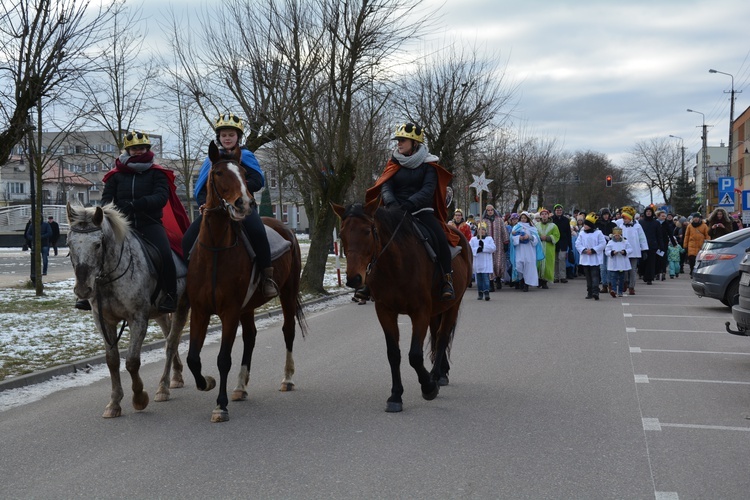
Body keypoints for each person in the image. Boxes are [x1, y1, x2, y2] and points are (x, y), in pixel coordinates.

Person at [183, 114, 277, 299]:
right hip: (216, 211)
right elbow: (201, 188)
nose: (227, 138)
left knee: (257, 232)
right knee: (187, 239)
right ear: (219, 137)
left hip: (242, 207)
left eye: (231, 135)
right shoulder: (211, 161)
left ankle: (267, 277)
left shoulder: (246, 156)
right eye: (224, 135)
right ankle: (188, 279)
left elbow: (258, 181)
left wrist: (236, 189)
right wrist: (203, 203)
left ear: (238, 137)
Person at [87, 131, 179, 312]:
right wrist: (117, 209)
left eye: (141, 148)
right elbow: (106, 200)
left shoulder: (157, 173)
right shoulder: (114, 175)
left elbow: (161, 197)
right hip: (122, 225)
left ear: (147, 149)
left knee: (166, 255)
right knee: (95, 253)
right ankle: (88, 294)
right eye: (134, 149)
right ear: (127, 150)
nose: (138, 151)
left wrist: (138, 204)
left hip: (149, 223)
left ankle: (170, 295)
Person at [365, 122, 457, 300]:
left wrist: (409, 203)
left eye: (403, 140)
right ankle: (369, 281)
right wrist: (392, 203)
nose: (399, 143)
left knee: (439, 238)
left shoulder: (429, 165)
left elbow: (428, 190)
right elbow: (386, 186)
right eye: (398, 140)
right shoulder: (393, 163)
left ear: (415, 143)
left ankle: (447, 279)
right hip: (394, 211)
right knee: (375, 239)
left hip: (420, 211)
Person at [616, 206, 648, 295]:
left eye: (626, 218)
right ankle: (625, 282)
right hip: (624, 251)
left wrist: (644, 249)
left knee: (633, 270)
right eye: (623, 218)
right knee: (624, 269)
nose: (624, 220)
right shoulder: (621, 226)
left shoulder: (637, 226)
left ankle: (632, 286)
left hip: (634, 251)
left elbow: (642, 238)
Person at [575, 212, 606, 300]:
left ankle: (596, 291)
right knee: (588, 276)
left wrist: (593, 250)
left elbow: (603, 243)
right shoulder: (582, 233)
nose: (584, 226)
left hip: (594, 258)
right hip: (585, 258)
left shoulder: (598, 233)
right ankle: (589, 292)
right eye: (584, 224)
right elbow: (577, 243)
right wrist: (584, 250)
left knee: (595, 275)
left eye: (586, 225)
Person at [510, 212, 539, 292]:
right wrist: (519, 237)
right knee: (519, 264)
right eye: (522, 218)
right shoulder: (516, 227)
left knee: (528, 266)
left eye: (525, 218)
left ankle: (526, 284)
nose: (523, 219)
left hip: (529, 250)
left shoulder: (532, 227)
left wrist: (529, 237)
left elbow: (536, 239)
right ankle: (521, 280)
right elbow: (512, 238)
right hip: (520, 249)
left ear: (528, 219)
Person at [481, 204, 509, 291]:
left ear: (494, 211)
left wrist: (506, 242)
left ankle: (498, 279)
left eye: (491, 210)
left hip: (498, 245)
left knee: (498, 264)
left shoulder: (499, 220)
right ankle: (491, 283)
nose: (490, 211)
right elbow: (479, 232)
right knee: (490, 264)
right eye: (488, 210)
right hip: (488, 246)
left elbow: (504, 231)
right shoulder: (483, 221)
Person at [470, 222, 496, 301]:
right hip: (478, 262)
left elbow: (493, 248)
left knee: (485, 278)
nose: (482, 231)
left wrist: (484, 247)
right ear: (477, 230)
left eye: (483, 230)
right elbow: (470, 248)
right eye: (480, 229)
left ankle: (486, 292)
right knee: (479, 279)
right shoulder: (473, 239)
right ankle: (480, 293)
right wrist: (478, 249)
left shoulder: (489, 239)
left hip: (486, 262)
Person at [535, 207, 559, 289]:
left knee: (547, 264)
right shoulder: (536, 225)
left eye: (546, 214)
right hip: (539, 247)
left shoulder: (553, 226)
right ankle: (539, 280)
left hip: (549, 248)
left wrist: (548, 238)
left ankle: (545, 281)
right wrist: (539, 237)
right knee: (538, 263)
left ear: (548, 216)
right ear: (540, 216)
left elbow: (556, 236)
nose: (544, 216)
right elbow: (534, 234)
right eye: (542, 214)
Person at [638, 205, 663, 285]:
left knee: (651, 262)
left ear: (652, 213)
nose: (648, 213)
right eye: (647, 212)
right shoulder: (641, 222)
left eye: (650, 212)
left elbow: (659, 235)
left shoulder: (656, 223)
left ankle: (649, 278)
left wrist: (660, 245)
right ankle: (643, 274)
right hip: (642, 245)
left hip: (652, 245)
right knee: (643, 261)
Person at [605, 227, 632, 297]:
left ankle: (620, 291)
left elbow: (630, 249)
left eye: (618, 235)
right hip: (614, 262)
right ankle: (613, 290)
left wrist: (624, 252)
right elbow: (606, 251)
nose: (617, 237)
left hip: (622, 263)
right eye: (615, 235)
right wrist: (612, 252)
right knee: (613, 277)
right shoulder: (610, 242)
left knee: (621, 277)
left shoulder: (625, 242)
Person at [596, 208, 616, 294]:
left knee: (610, 267)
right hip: (601, 248)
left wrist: (611, 237)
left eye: (607, 214)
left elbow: (617, 235)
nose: (606, 216)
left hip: (610, 248)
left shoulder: (613, 225)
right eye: (604, 214)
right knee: (602, 268)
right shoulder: (597, 224)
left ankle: (610, 284)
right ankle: (604, 285)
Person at [683, 212, 710, 278]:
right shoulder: (690, 226)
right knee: (691, 259)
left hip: (701, 245)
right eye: (695, 217)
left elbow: (707, 235)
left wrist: (708, 244)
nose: (696, 219)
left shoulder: (704, 226)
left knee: (699, 260)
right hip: (691, 245)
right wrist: (685, 245)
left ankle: (697, 272)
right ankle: (692, 270)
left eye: (697, 217)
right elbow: (686, 236)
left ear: (699, 218)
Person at [552, 204, 572, 283]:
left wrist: (570, 245)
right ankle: (555, 276)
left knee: (562, 259)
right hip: (554, 242)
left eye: (560, 210)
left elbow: (568, 233)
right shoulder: (552, 219)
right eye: (557, 210)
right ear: (555, 211)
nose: (559, 212)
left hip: (563, 242)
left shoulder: (566, 220)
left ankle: (563, 276)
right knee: (555, 260)